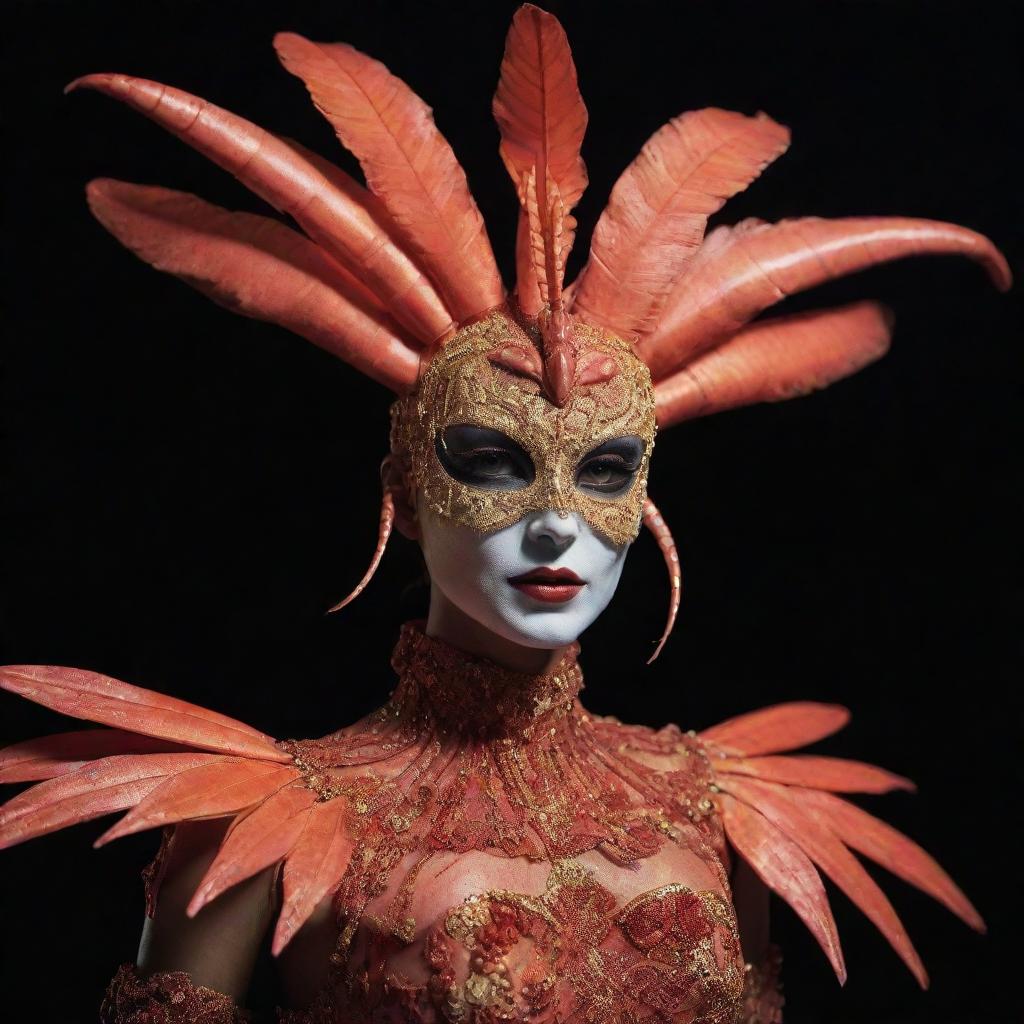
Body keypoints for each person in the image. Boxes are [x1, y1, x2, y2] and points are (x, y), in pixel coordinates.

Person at [0, 6, 1012, 1022]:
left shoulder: (728, 810)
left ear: (644, 497)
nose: (553, 525)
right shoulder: (262, 823)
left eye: (605, 473)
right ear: (401, 494)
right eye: (492, 463)